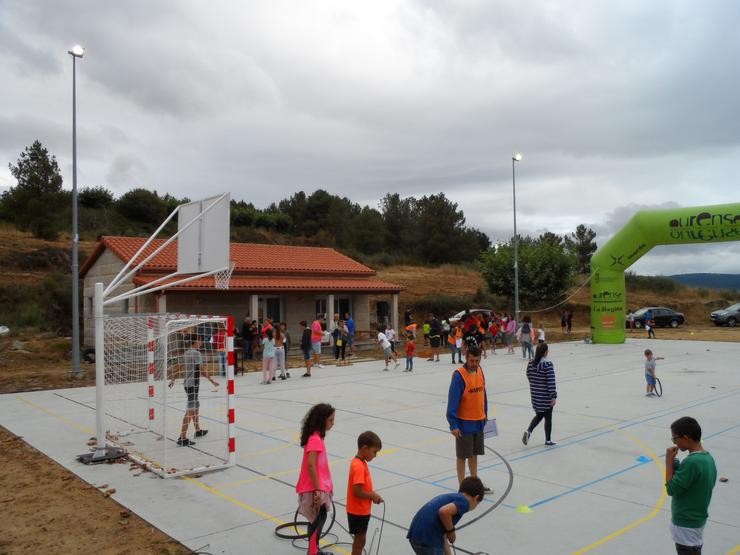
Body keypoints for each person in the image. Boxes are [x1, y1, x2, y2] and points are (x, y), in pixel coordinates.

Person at [665, 416, 717, 555]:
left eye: (675, 439)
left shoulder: (691, 463)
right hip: (696, 521)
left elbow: (671, 489)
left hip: (685, 524)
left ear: (686, 438)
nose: (674, 442)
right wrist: (677, 467)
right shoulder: (708, 459)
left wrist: (668, 462)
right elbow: (692, 482)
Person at [446, 345, 490, 489]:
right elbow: (452, 401)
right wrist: (453, 424)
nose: (475, 364)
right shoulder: (459, 375)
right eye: (472, 361)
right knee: (462, 456)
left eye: (477, 361)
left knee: (474, 454)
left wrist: (485, 413)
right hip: (464, 423)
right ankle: (463, 487)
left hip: (479, 421)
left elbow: (483, 394)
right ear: (466, 357)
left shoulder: (480, 370)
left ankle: (474, 483)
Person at [406, 476, 486, 555]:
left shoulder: (451, 498)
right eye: (477, 504)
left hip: (416, 535)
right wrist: (451, 531)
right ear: (476, 498)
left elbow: (443, 536)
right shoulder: (464, 502)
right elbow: (444, 512)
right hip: (429, 539)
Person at [296, 403, 335, 555]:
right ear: (322, 420)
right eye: (331, 420)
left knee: (318, 518)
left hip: (318, 486)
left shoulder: (316, 437)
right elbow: (311, 465)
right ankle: (312, 551)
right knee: (317, 519)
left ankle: (314, 550)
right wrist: (318, 490)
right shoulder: (315, 440)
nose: (333, 423)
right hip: (314, 488)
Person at [169, 336, 218, 446]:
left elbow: (180, 366)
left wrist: (173, 378)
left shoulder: (187, 353)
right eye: (199, 340)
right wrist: (212, 380)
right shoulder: (196, 354)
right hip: (193, 384)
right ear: (195, 342)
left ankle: (198, 430)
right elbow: (201, 369)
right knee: (190, 409)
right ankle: (182, 437)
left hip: (187, 384)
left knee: (196, 406)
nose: (201, 342)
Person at [346, 431, 384, 555]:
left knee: (360, 540)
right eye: (374, 452)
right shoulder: (358, 466)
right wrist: (372, 495)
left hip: (361, 509)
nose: (375, 455)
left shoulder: (361, 462)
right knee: (360, 541)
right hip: (357, 511)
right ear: (364, 448)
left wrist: (371, 495)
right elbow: (357, 491)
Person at [522, 342, 558, 447]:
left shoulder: (531, 364)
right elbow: (551, 382)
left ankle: (528, 431)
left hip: (535, 396)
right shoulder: (547, 365)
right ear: (546, 352)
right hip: (545, 397)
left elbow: (529, 376)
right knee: (548, 417)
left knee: (539, 415)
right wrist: (553, 396)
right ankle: (548, 440)